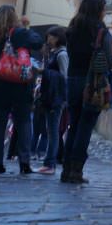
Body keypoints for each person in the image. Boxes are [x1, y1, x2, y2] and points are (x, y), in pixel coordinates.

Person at [62, 0, 112, 183]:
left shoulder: (72, 28)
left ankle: (66, 170)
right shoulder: (100, 31)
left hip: (73, 78)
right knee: (85, 127)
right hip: (92, 83)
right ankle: (76, 171)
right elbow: (108, 59)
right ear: (97, 10)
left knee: (73, 125)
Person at [0, 5, 36, 174]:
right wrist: (26, 28)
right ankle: (24, 161)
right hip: (20, 81)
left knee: (0, 121)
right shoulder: (19, 32)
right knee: (23, 120)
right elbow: (37, 41)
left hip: (0, 80)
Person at [36, 26, 68, 175]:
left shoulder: (62, 54)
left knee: (53, 131)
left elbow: (64, 76)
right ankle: (49, 163)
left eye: (51, 36)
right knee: (51, 130)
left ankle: (50, 164)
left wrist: (44, 71)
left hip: (56, 98)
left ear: (58, 38)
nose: (48, 39)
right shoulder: (53, 53)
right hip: (50, 96)